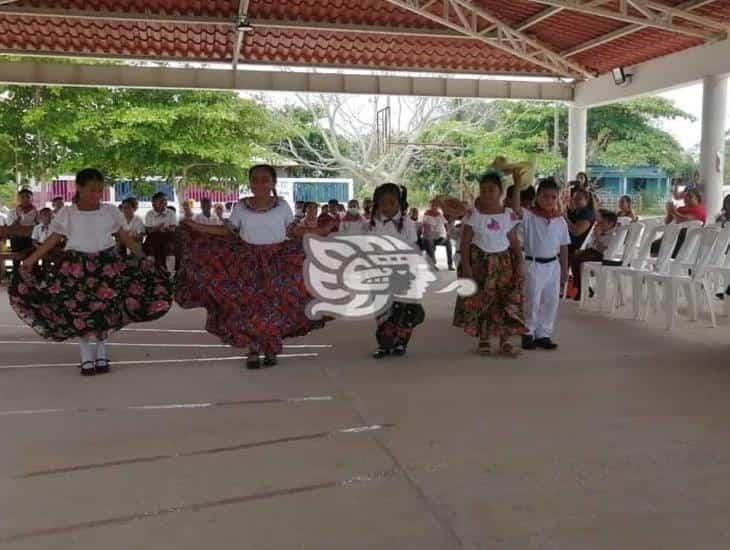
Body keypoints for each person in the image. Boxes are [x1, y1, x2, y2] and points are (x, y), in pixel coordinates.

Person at [9, 168, 173, 376]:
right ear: (79, 188)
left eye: (100, 190)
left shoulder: (111, 211)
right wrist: (30, 261)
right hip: (75, 267)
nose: (97, 195)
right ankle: (86, 356)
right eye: (92, 190)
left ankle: (102, 353)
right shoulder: (67, 213)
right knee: (79, 310)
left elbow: (124, 237)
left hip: (106, 266)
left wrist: (142, 256)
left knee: (104, 310)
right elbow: (52, 239)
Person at [177, 164, 335, 370]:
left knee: (273, 305)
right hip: (246, 262)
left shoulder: (282, 205)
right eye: (255, 180)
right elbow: (228, 232)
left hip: (279, 261)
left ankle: (270, 348)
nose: (260, 184)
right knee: (249, 306)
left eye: (265, 180)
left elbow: (293, 231)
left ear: (272, 183)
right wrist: (195, 226)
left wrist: (321, 231)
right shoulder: (241, 206)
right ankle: (252, 349)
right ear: (250, 183)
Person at [453, 172, 526, 357]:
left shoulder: (508, 214)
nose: (486, 194)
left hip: (504, 263)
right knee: (483, 301)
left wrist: (519, 262)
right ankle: (484, 338)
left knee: (505, 300)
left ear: (500, 192)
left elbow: (514, 240)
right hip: (480, 262)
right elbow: (465, 241)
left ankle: (505, 339)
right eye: (483, 190)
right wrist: (467, 266)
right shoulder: (473, 214)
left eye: (491, 190)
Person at [365, 183, 423, 359]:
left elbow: (412, 248)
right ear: (377, 204)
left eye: (392, 203)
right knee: (383, 310)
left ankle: (401, 343)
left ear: (399, 203)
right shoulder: (371, 223)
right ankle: (384, 344)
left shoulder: (407, 223)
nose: (388, 207)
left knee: (404, 311)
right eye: (383, 203)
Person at [511, 177, 570, 351]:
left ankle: (543, 334)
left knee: (551, 301)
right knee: (532, 300)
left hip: (553, 265)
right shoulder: (529, 216)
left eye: (553, 197)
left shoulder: (560, 221)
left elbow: (564, 246)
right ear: (537, 197)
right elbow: (515, 209)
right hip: (534, 264)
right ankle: (528, 332)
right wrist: (516, 186)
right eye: (545, 196)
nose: (549, 200)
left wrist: (565, 269)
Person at [570, 210, 620, 301]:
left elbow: (604, 250)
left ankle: (581, 288)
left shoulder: (613, 235)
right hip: (592, 252)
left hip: (600, 256)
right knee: (573, 257)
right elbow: (591, 244)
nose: (600, 224)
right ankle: (583, 286)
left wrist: (598, 236)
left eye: (603, 222)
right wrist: (583, 250)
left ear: (610, 224)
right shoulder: (600, 231)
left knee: (579, 260)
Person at [4, 189, 39, 270]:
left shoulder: (38, 212)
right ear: (19, 199)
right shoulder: (12, 212)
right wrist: (19, 218)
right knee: (17, 240)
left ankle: (34, 274)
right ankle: (16, 275)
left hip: (31, 240)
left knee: (34, 245)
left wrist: (36, 222)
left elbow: (39, 227)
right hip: (17, 240)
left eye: (28, 197)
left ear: (32, 199)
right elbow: (11, 228)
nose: (25, 199)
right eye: (22, 197)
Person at [144, 192, 177, 270]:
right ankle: (151, 272)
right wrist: (157, 228)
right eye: (161, 201)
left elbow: (173, 228)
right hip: (153, 237)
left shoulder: (171, 213)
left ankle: (170, 273)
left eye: (165, 201)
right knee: (150, 249)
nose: (164, 203)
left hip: (168, 236)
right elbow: (148, 230)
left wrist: (166, 229)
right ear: (153, 204)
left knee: (169, 248)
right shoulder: (149, 214)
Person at [422, 199, 455, 271]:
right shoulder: (426, 214)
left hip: (439, 237)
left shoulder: (439, 214)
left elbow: (445, 224)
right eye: (433, 205)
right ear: (430, 206)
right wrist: (429, 233)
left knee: (448, 243)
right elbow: (425, 226)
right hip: (429, 236)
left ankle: (450, 265)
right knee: (430, 243)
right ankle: (433, 264)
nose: (434, 207)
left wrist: (448, 232)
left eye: (436, 206)